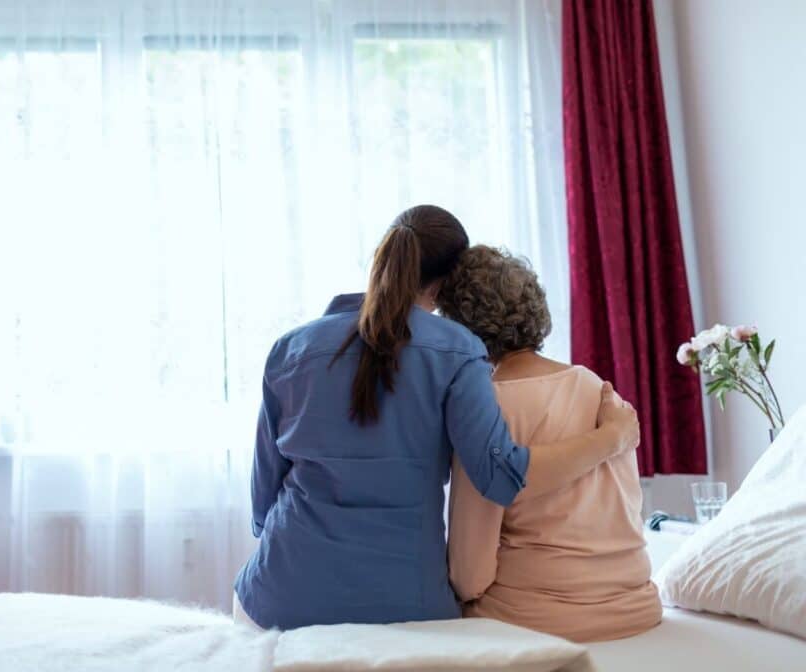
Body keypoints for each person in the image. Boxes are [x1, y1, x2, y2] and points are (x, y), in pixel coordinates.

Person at [233, 206, 640, 630]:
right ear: (445, 286)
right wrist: (611, 438)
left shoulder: (290, 348)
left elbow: (263, 500)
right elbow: (501, 476)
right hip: (407, 608)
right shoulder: (460, 351)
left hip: (278, 599)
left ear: (381, 258)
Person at [439, 245, 662, 642]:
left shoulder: (484, 409)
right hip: (636, 607)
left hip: (537, 619)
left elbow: (469, 576)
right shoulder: (598, 387)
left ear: (459, 326)